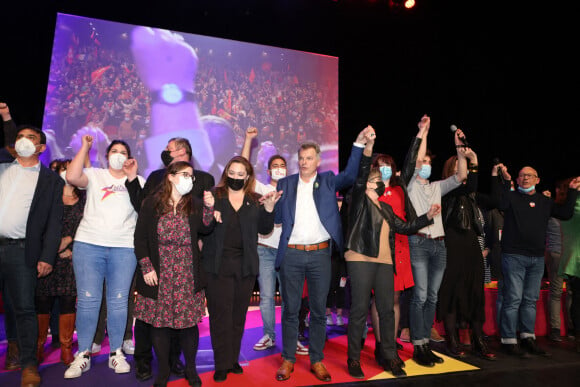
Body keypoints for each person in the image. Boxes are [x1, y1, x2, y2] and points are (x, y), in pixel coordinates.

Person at [274, 126, 373, 383]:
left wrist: (358, 143)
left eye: (309, 158)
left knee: (319, 311)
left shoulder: (328, 180)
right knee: (290, 310)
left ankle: (317, 359)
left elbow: (351, 174)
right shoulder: (285, 184)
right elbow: (273, 218)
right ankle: (288, 359)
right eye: (302, 158)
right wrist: (268, 207)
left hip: (320, 255)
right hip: (292, 255)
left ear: (318, 161)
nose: (305, 162)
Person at [344, 130, 439, 379]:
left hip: (386, 261)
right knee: (359, 309)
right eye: (372, 177)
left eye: (380, 177)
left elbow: (404, 227)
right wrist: (369, 146)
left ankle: (390, 355)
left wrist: (427, 217)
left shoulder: (386, 206)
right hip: (361, 259)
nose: (377, 181)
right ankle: (353, 358)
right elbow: (363, 170)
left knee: (387, 310)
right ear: (366, 181)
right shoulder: (357, 201)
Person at [125, 136, 215, 381]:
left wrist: (209, 206)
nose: (189, 180)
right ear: (171, 177)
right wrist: (146, 268)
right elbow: (140, 239)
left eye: (191, 177)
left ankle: (190, 369)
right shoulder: (151, 204)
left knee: (187, 326)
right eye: (184, 175)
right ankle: (163, 371)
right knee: (160, 325)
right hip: (159, 274)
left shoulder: (194, 204)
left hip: (187, 273)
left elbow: (207, 228)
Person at [64, 135, 145, 378]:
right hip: (89, 245)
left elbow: (143, 208)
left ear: (129, 157)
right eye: (114, 151)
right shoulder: (95, 175)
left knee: (119, 302)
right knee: (88, 301)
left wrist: (132, 177)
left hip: (123, 248)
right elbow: (71, 176)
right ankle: (83, 354)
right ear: (107, 155)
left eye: (123, 151)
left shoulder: (138, 180)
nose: (118, 154)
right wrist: (85, 147)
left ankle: (116, 352)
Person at [0, 102, 64, 387]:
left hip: (21, 251)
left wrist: (48, 256)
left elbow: (54, 223)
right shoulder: (2, 165)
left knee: (24, 308)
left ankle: (28, 364)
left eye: (32, 138)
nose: (24, 141)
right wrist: (6, 118)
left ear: (41, 148)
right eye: (20, 137)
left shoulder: (50, 181)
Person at [202, 156, 280, 382]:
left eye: (240, 174)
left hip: (245, 266)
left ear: (248, 176)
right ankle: (221, 363)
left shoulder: (255, 199)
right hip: (217, 266)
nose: (236, 178)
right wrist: (208, 210)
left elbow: (265, 229)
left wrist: (269, 208)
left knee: (238, 316)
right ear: (226, 173)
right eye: (232, 173)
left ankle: (233, 359)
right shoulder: (213, 196)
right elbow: (203, 227)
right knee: (220, 317)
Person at [492, 163, 579, 357]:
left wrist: (572, 191)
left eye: (530, 175)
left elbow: (565, 213)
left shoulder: (544, 201)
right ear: (517, 179)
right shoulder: (511, 197)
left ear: (537, 180)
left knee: (530, 300)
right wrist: (504, 181)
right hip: (514, 255)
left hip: (537, 258)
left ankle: (527, 338)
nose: (525, 178)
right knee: (513, 298)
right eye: (522, 175)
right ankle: (508, 340)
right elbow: (500, 202)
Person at [406, 115, 467, 367]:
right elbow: (416, 158)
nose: (426, 165)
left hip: (439, 245)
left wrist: (460, 149)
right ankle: (417, 345)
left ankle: (425, 344)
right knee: (420, 296)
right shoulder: (410, 184)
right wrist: (424, 131)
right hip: (419, 244)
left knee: (432, 296)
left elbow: (461, 175)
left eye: (430, 163)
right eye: (423, 162)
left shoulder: (436, 187)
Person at [241, 127, 309, 354]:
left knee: (291, 298)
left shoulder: (295, 190)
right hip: (264, 249)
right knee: (267, 297)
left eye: (282, 166)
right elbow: (243, 168)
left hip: (288, 250)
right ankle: (269, 335)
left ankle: (292, 337)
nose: (279, 169)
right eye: (275, 166)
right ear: (268, 170)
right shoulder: (259, 187)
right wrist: (249, 140)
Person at [369, 120, 426, 362]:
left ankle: (389, 344)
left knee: (394, 299)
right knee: (380, 298)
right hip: (380, 250)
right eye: (380, 166)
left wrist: (422, 132)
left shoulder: (401, 187)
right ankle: (381, 346)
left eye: (388, 166)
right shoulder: (371, 190)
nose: (385, 170)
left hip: (401, 249)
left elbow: (415, 161)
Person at [438, 149, 496, 360]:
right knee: (452, 290)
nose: (461, 170)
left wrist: (499, 177)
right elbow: (468, 182)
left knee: (475, 291)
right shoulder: (443, 189)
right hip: (452, 242)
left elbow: (498, 200)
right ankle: (451, 339)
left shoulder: (471, 194)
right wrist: (473, 161)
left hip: (471, 242)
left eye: (462, 166)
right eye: (457, 165)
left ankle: (478, 339)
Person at [35, 159, 86, 366]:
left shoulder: (84, 198)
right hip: (47, 257)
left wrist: (70, 245)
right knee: (42, 302)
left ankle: (66, 348)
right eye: (62, 170)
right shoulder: (47, 197)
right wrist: (55, 247)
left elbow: (88, 225)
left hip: (72, 260)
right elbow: (37, 227)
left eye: (69, 169)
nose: (66, 173)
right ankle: (38, 347)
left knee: (67, 301)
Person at [545, 178, 573, 342]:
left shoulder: (551, 207)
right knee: (570, 292)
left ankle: (556, 329)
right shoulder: (569, 210)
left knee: (556, 293)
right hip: (566, 253)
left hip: (555, 252)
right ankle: (570, 327)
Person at [557, 177, 580, 352]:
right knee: (578, 300)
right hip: (576, 258)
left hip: (573, 257)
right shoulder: (570, 206)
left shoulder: (566, 205)